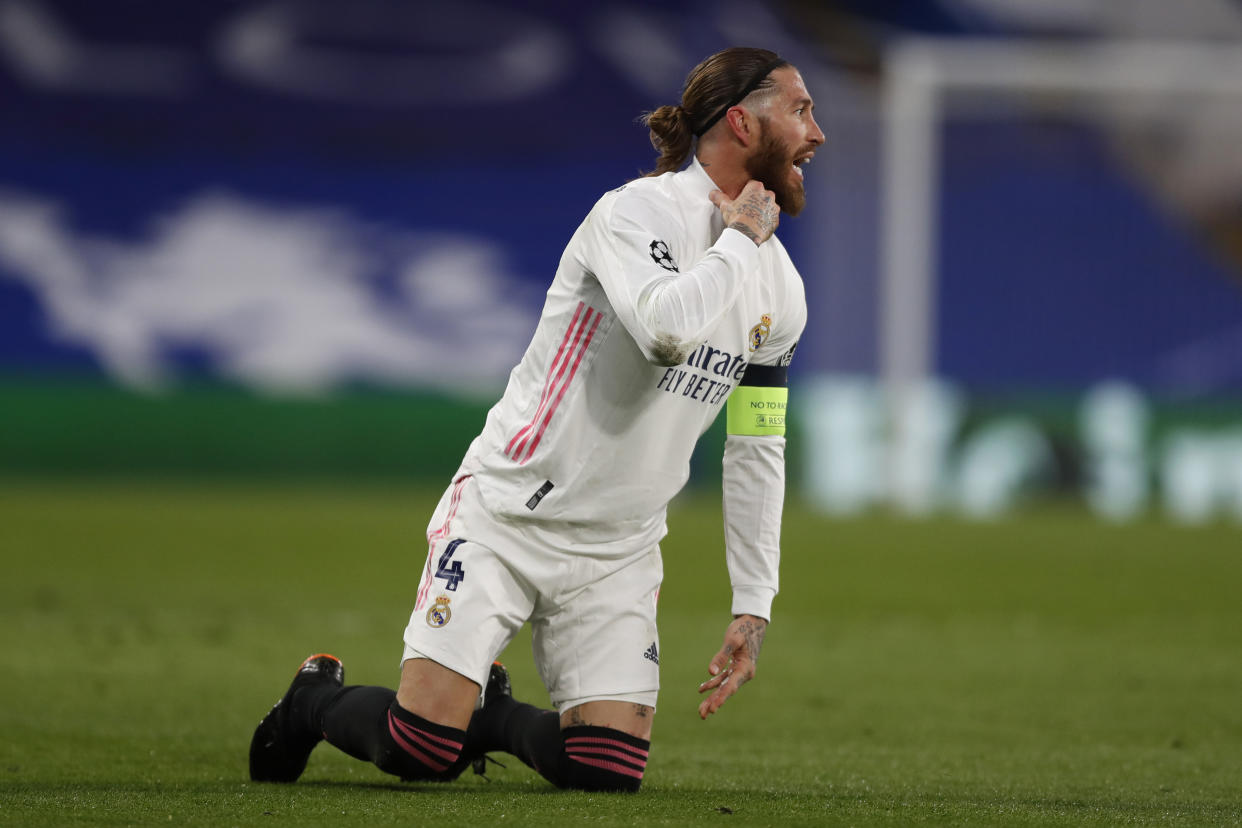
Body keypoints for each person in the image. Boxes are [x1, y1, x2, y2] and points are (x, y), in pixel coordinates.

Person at [249, 45, 824, 793]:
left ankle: (488, 717)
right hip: (508, 513)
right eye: (802, 110)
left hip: (618, 548)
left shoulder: (781, 288)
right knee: (421, 749)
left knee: (607, 769)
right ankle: (310, 702)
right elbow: (664, 332)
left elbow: (757, 446)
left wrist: (753, 604)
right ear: (742, 123)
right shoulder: (635, 213)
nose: (817, 133)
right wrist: (741, 239)